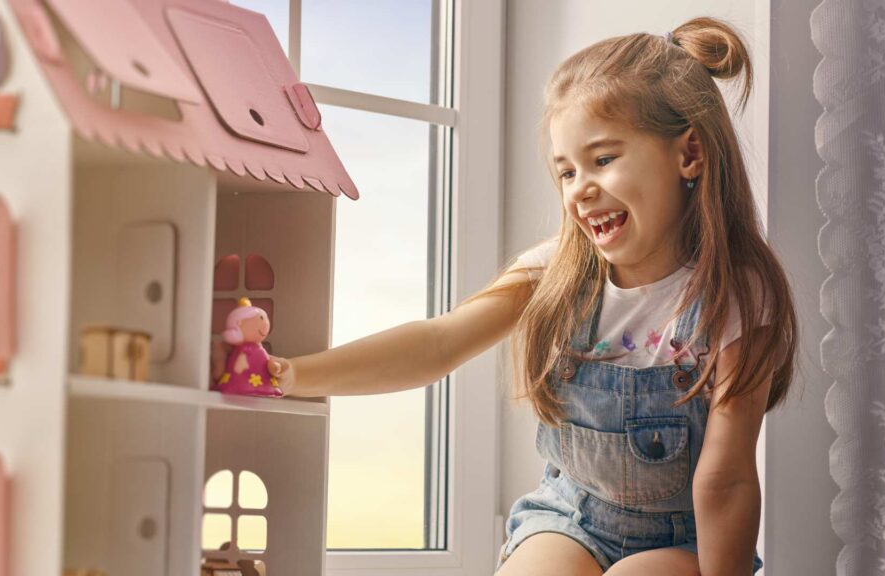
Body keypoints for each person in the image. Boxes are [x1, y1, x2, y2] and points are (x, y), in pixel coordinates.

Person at [265, 15, 796, 576]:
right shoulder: (557, 273)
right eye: (565, 172)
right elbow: (437, 343)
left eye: (603, 159)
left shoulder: (735, 296)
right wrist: (296, 376)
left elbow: (727, 477)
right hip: (570, 518)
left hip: (682, 538)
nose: (580, 189)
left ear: (688, 155)